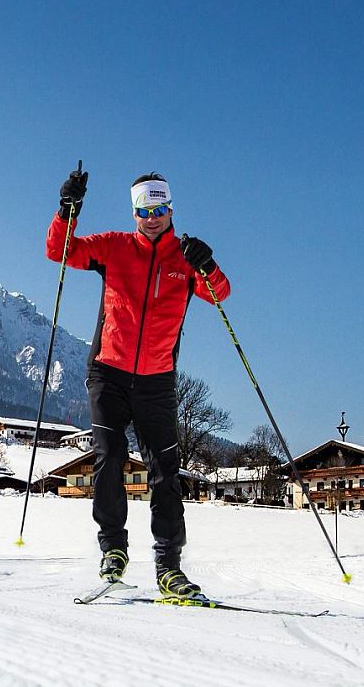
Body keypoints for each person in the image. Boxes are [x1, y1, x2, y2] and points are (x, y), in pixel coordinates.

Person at [45, 168, 230, 598]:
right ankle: (113, 549)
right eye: (144, 211)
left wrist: (208, 263)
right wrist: (65, 210)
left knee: (165, 471)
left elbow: (219, 293)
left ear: (171, 209)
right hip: (108, 371)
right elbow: (59, 251)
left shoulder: (184, 258)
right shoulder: (114, 247)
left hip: (157, 382)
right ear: (134, 212)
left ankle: (169, 566)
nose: (152, 218)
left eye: (160, 209)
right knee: (110, 455)